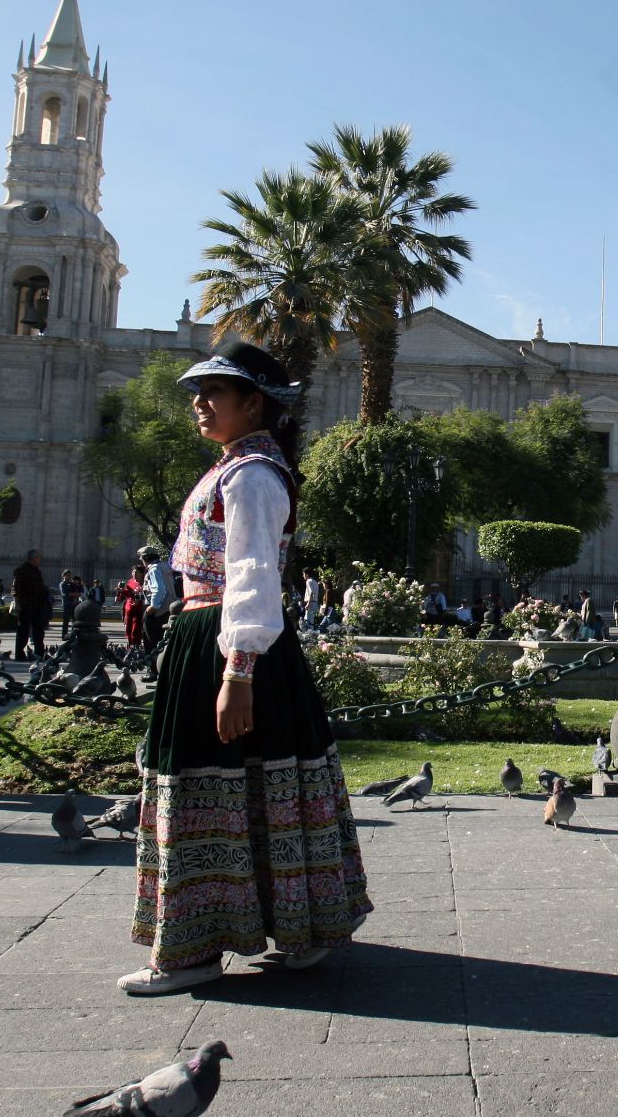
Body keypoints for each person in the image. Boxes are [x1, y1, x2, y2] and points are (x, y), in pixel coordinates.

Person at [124, 339, 370, 995]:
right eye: (198, 393)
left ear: (252, 403)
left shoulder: (253, 476)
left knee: (211, 781)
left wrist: (238, 670)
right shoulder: (237, 468)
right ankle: (301, 927)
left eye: (214, 393)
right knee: (265, 783)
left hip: (230, 643)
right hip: (226, 640)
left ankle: (195, 950)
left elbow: (253, 574)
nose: (200, 404)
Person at [12, 550, 48, 660]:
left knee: (38, 630)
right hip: (25, 605)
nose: (40, 560)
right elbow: (15, 589)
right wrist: (18, 604)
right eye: (38, 558)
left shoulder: (37, 571)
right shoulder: (21, 570)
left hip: (37, 606)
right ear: (33, 558)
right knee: (23, 631)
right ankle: (19, 654)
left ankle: (39, 653)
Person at [140, 544, 176, 651]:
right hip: (170, 607)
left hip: (158, 610)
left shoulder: (154, 569)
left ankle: (153, 665)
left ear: (145, 558)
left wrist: (153, 606)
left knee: (151, 641)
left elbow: (159, 589)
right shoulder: (165, 566)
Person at [59, 570, 85, 638]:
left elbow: (79, 590)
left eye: (69, 575)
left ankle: (74, 635)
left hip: (74, 604)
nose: (68, 577)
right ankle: (64, 636)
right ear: (63, 575)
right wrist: (76, 594)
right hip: (67, 605)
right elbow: (66, 594)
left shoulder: (71, 583)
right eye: (67, 575)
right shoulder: (62, 584)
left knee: (75, 622)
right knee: (66, 621)